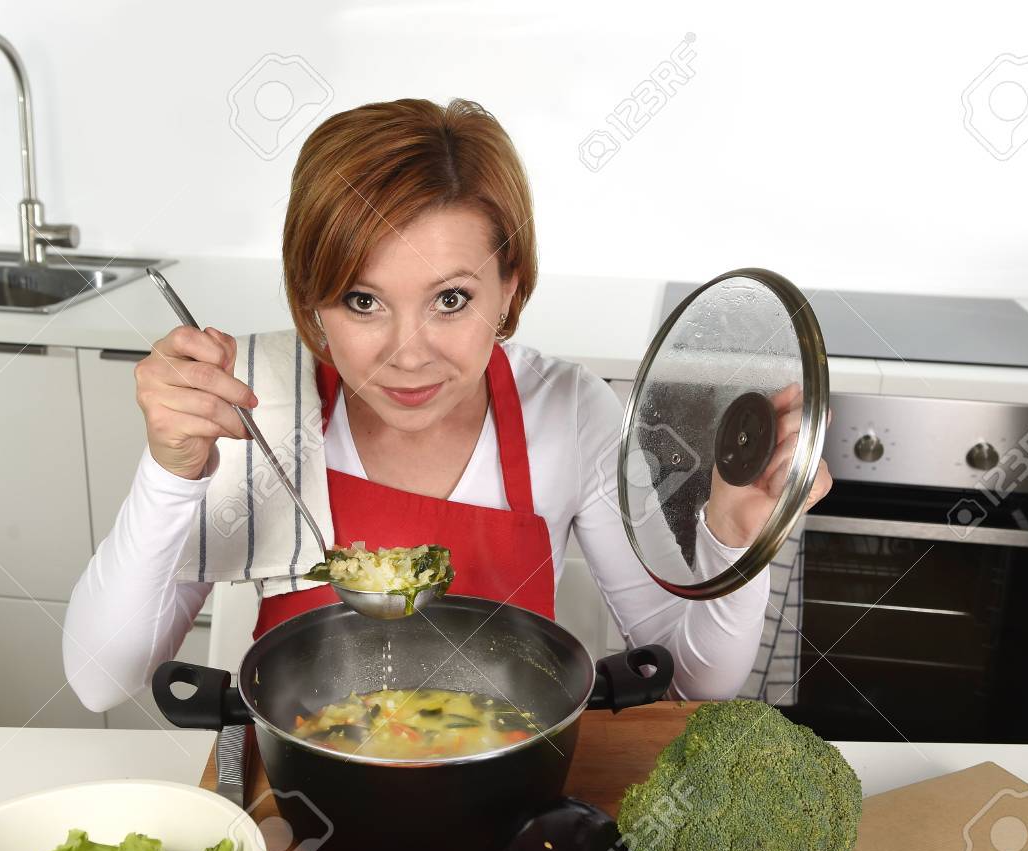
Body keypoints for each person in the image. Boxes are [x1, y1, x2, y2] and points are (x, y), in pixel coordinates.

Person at [62, 98, 831, 713]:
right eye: (362, 300)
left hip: (503, 802)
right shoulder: (253, 399)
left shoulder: (565, 411)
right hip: (300, 806)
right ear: (311, 303)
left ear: (512, 290)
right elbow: (102, 680)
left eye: (451, 299)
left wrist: (732, 538)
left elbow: (694, 684)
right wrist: (172, 474)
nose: (408, 352)